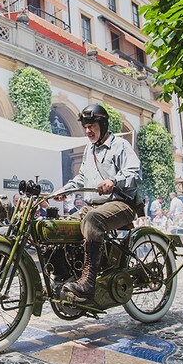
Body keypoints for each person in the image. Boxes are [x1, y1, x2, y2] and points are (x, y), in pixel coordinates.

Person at [53, 104, 141, 301]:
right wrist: (65, 190)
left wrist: (114, 181)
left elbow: (134, 173)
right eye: (85, 127)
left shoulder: (120, 145)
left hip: (121, 203)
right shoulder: (89, 150)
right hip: (92, 206)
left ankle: (89, 282)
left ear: (102, 124)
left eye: (92, 126)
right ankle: (63, 278)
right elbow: (81, 177)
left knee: (93, 219)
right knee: (58, 227)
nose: (87, 131)